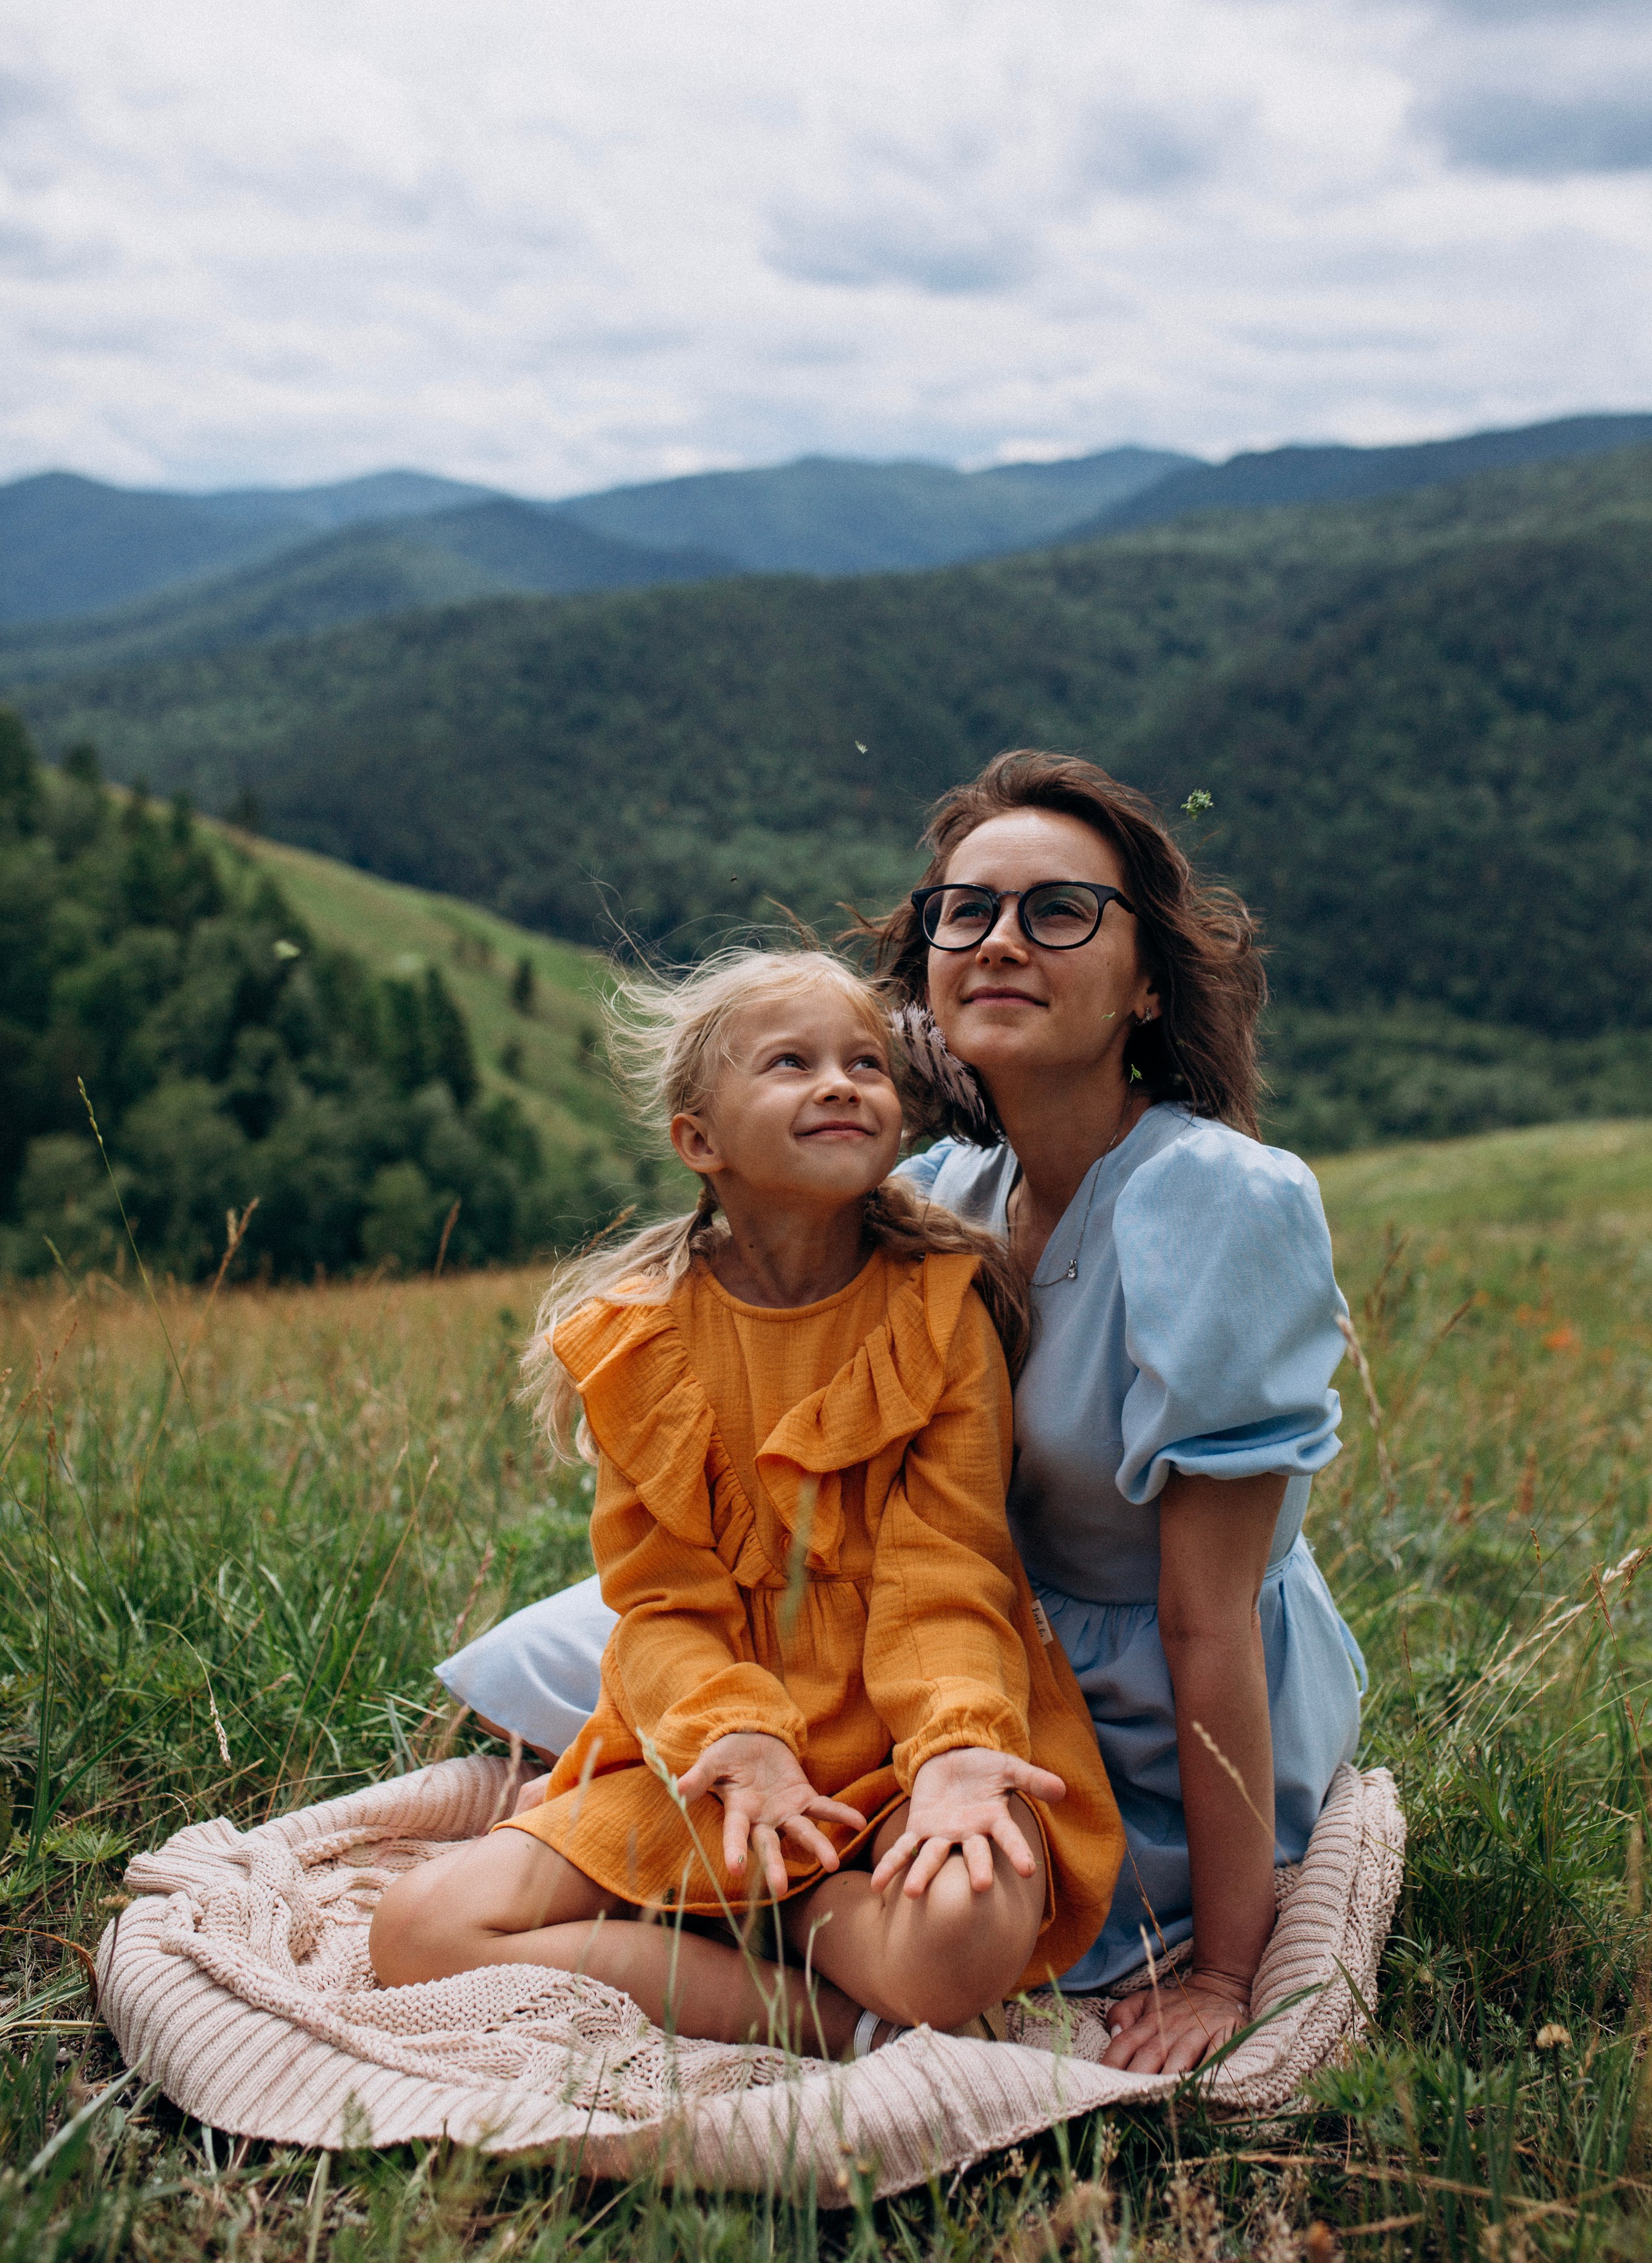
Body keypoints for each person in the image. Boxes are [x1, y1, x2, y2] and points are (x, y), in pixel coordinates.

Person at [439, 752, 1365, 2074]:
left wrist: (1226, 1968)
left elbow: (1201, 1614)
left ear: (1147, 979)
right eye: (964, 911)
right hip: (905, 1616)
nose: (998, 940)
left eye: (1058, 912)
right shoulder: (947, 1186)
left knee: (936, 1873)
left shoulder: (1218, 1202)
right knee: (562, 1662)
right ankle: (753, 1865)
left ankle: (793, 1922)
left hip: (1144, 1678)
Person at [373, 947, 1123, 2057]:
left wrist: (959, 1752)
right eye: (791, 1062)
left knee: (970, 1926)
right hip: (718, 1760)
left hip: (901, 1742)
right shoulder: (645, 1342)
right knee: (417, 1930)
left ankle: (795, 1916)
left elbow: (949, 1574)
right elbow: (664, 1606)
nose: (840, 1083)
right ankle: (829, 2014)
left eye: (866, 1063)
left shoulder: (936, 1309)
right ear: (700, 1141)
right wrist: (740, 1744)